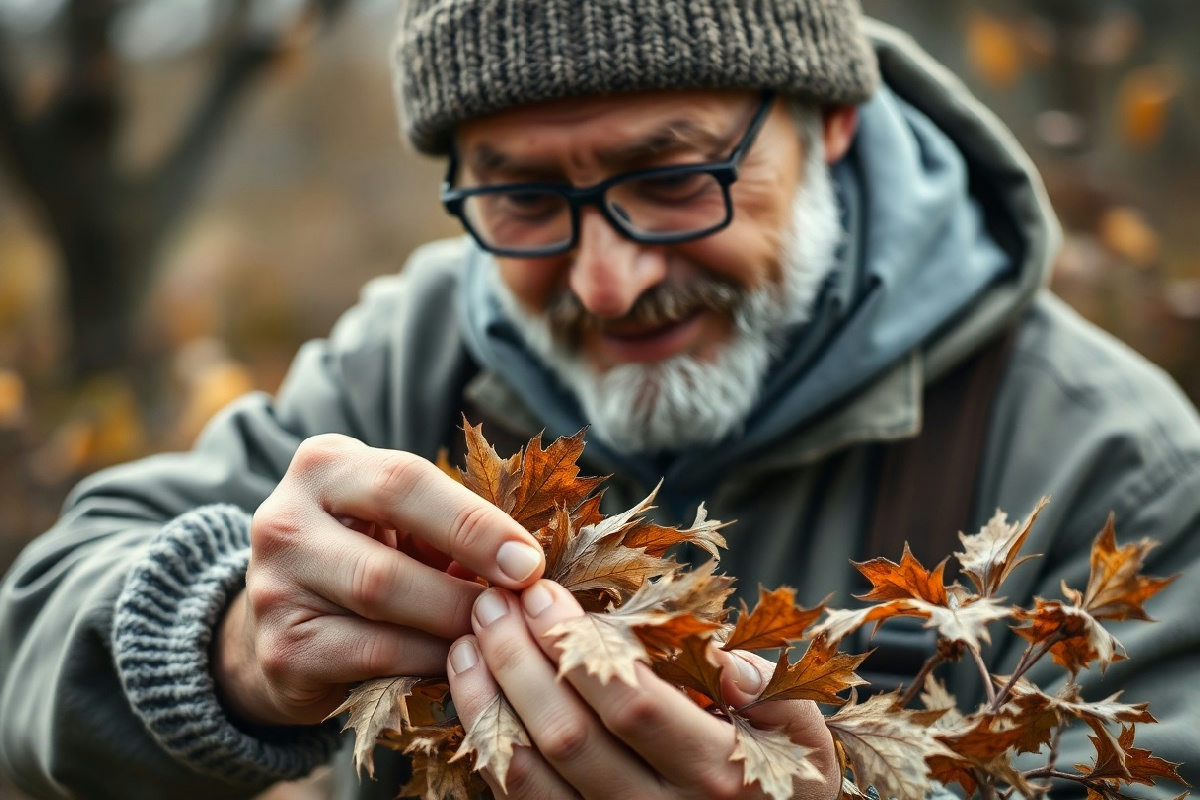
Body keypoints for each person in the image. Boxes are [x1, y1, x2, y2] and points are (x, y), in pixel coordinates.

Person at [2, 1, 1198, 799]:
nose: (606, 281)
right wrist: (222, 643)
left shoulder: (1117, 474)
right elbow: (33, 627)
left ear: (834, 119)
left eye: (673, 179)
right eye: (521, 199)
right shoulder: (414, 357)